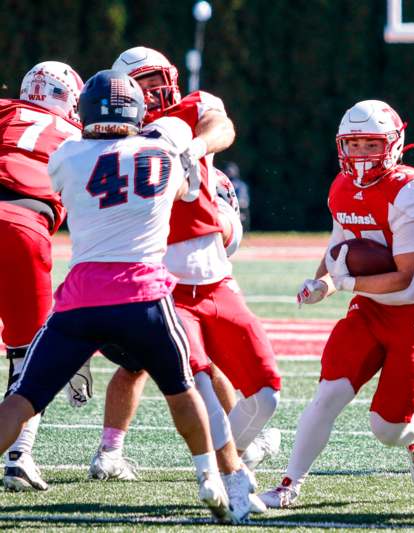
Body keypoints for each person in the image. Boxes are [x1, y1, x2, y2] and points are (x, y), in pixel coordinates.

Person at [0, 69, 242, 522]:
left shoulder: (69, 154)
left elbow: (58, 183)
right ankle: (210, 477)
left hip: (80, 302)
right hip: (144, 296)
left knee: (23, 395)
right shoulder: (163, 153)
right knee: (182, 389)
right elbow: (186, 188)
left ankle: (21, 454)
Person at [88, 47, 281, 488]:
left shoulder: (191, 110)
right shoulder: (114, 135)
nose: (155, 89)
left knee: (224, 373)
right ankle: (114, 451)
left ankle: (235, 448)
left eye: (158, 79)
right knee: (146, 365)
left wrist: (192, 147)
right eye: (143, 83)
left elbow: (221, 126)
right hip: (153, 270)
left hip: (209, 269)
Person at [259, 99, 414, 508]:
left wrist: (343, 283)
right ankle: (289, 484)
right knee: (327, 394)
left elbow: (409, 282)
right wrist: (322, 283)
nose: (361, 154)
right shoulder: (342, 187)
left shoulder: (413, 191)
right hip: (370, 309)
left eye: (371, 144)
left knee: (385, 428)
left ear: (394, 144)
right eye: (354, 144)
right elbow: (337, 248)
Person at [0, 61, 84, 492]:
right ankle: (19, 457)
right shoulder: (82, 137)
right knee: (29, 357)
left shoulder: (6, 111)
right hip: (22, 228)